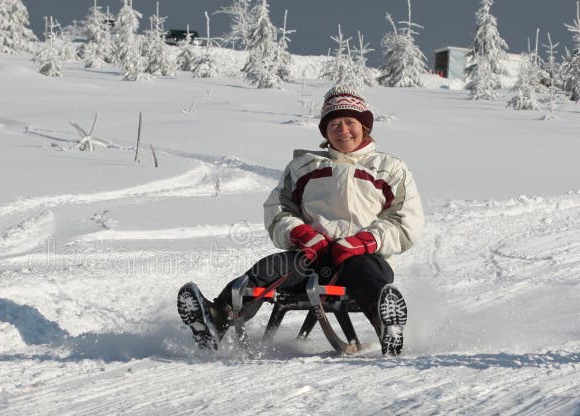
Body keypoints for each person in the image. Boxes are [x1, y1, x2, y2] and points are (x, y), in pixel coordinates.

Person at [177, 85, 425, 355]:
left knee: (367, 277)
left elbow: (406, 219)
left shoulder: (389, 168)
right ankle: (216, 318)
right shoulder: (305, 166)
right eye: (334, 124)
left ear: (364, 126)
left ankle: (387, 325)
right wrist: (301, 233)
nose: (343, 130)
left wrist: (366, 241)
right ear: (325, 131)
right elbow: (278, 209)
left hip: (363, 257)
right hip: (310, 256)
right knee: (267, 269)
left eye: (350, 122)